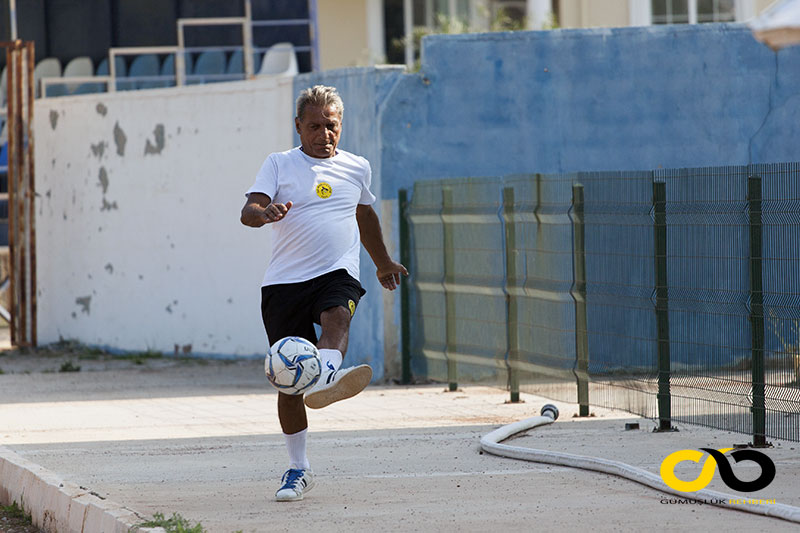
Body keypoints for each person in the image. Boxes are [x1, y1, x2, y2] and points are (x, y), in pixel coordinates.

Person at [240, 85, 407, 502]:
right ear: (299, 126)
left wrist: (382, 262)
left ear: (340, 125)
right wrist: (266, 213)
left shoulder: (356, 167)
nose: (324, 134)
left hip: (336, 272)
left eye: (330, 126)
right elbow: (248, 212)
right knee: (288, 381)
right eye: (314, 126)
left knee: (338, 314)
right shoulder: (279, 164)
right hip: (283, 282)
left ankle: (326, 374)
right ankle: (298, 468)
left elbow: (364, 213)